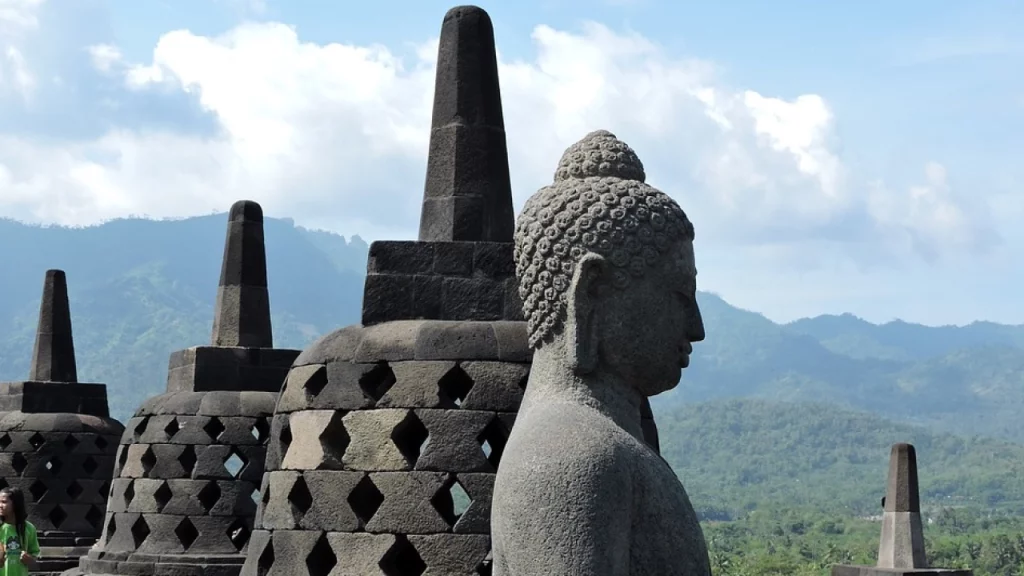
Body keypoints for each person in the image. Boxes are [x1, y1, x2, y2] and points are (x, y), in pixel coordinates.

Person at [0, 488, 39, 576]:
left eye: (4, 502)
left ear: (15, 504)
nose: (0, 505)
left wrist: (29, 559)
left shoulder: (29, 528)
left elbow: (35, 555)